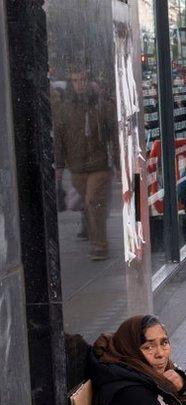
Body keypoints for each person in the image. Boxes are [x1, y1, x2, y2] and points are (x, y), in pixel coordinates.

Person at [53, 69, 116, 261]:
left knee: (92, 202)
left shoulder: (101, 106)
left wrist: (120, 164)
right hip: (77, 166)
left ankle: (100, 245)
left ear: (88, 82)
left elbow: (113, 134)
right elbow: (60, 140)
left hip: (99, 164)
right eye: (75, 80)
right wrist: (59, 167)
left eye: (82, 80)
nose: (79, 84)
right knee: (88, 206)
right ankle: (95, 237)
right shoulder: (65, 108)